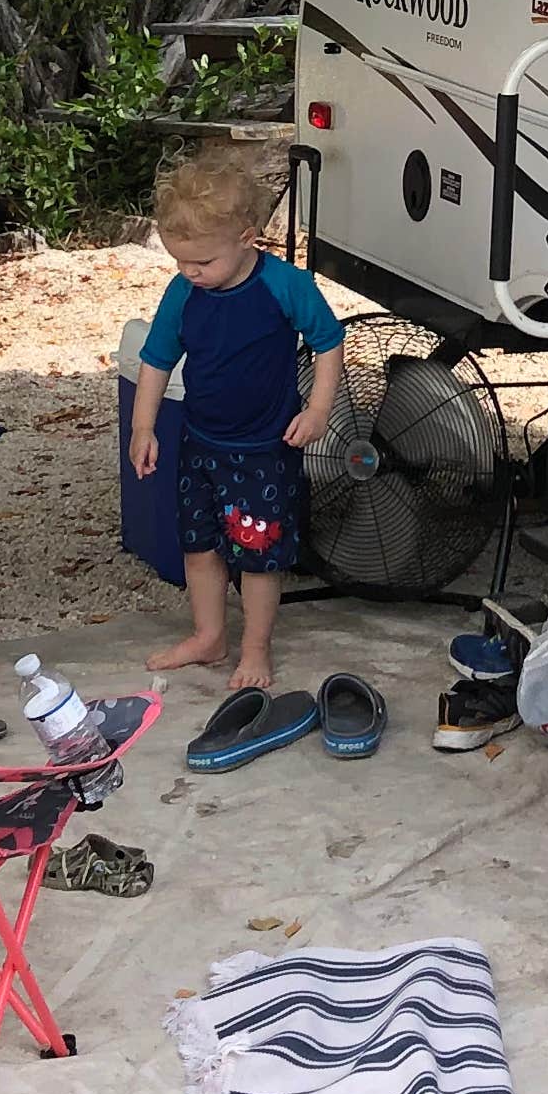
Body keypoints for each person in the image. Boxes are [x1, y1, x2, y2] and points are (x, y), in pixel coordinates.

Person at [128, 146, 345, 693]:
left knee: (259, 555)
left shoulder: (286, 286)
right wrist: (143, 426)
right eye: (180, 261)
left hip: (264, 450)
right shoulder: (183, 293)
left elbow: (328, 342)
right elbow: (155, 359)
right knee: (198, 546)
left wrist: (318, 409)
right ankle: (209, 635)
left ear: (247, 238)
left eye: (202, 262)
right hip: (200, 441)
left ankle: (255, 647)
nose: (190, 273)